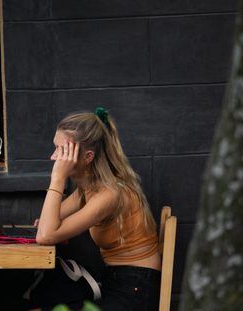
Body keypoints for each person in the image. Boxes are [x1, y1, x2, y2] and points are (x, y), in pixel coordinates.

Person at [29, 108, 161, 310]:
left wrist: (58, 178)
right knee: (43, 301)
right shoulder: (88, 188)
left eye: (62, 151)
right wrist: (49, 225)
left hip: (135, 290)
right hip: (116, 281)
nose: (53, 157)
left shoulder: (109, 194)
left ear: (87, 157)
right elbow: (46, 223)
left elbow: (45, 236)